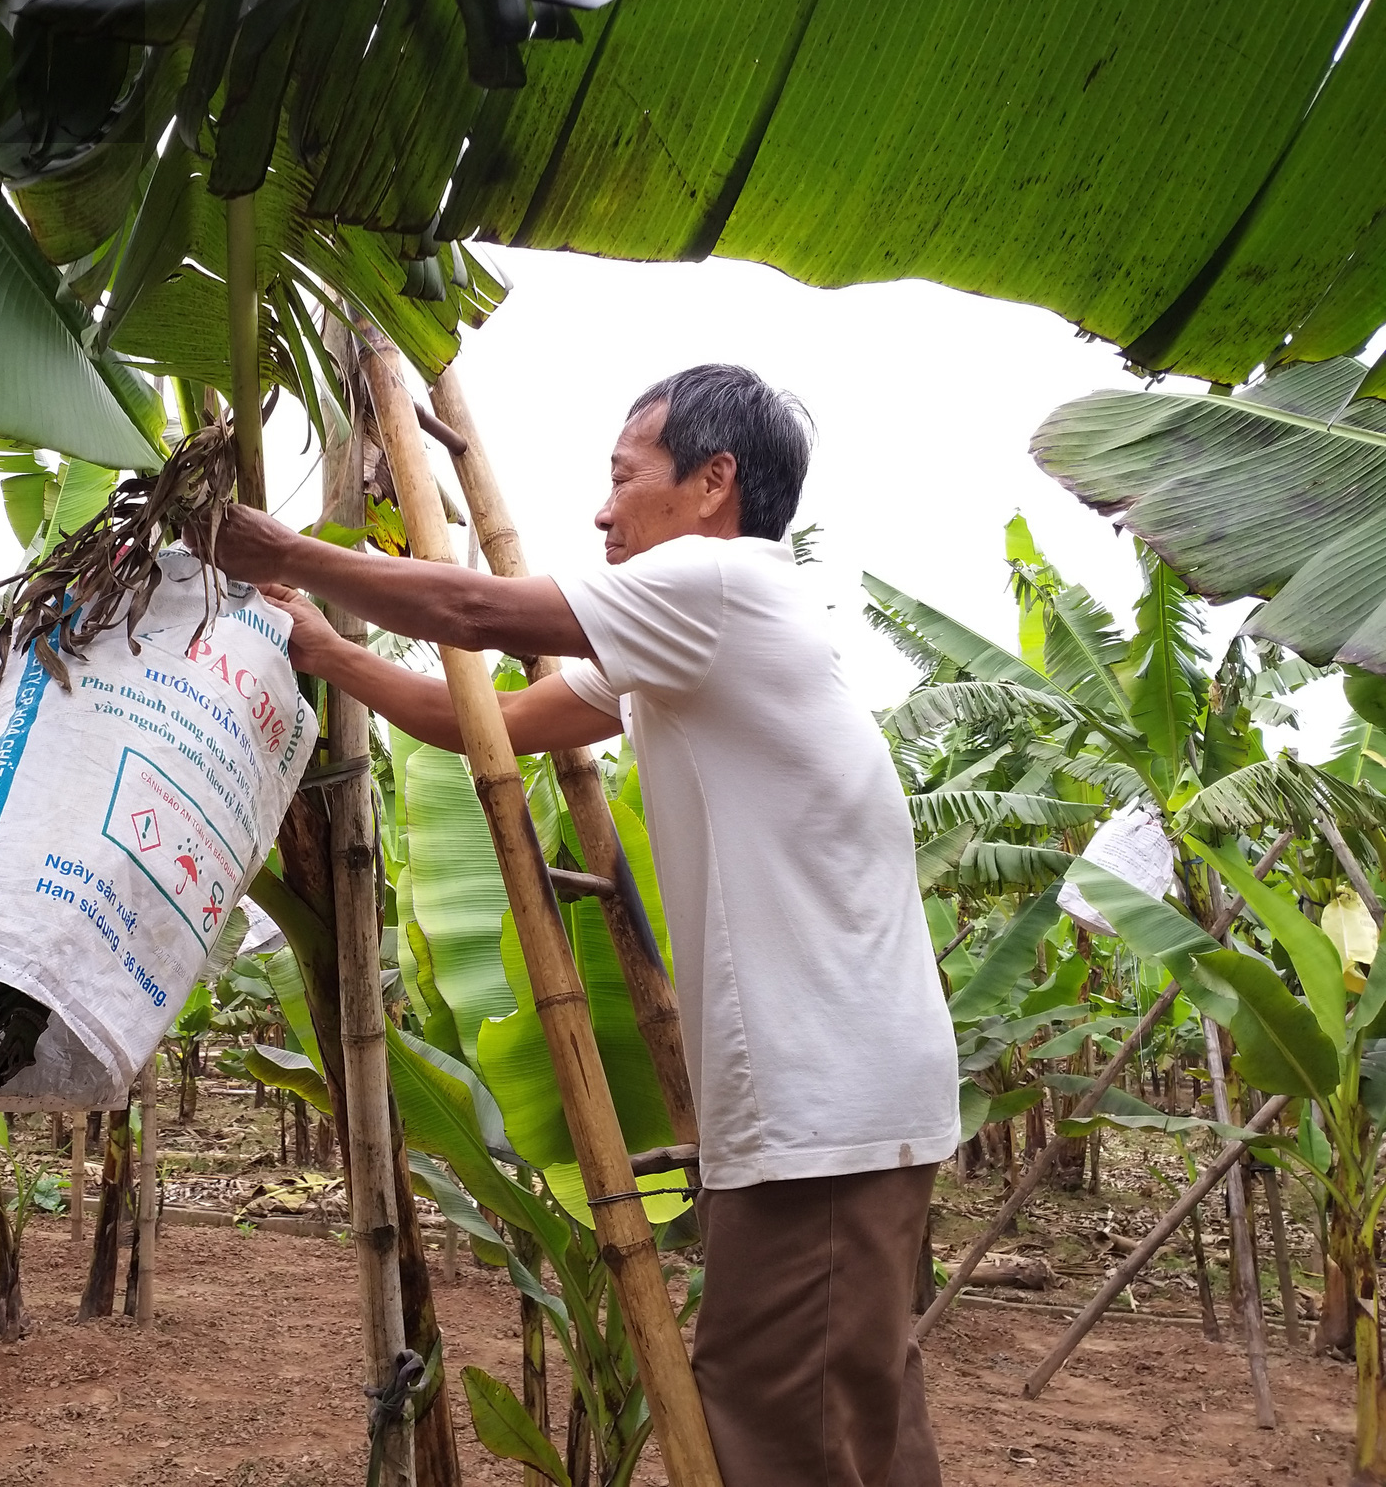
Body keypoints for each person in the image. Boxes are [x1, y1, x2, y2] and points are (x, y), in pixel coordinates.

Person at [211, 362, 958, 1487]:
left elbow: (469, 608)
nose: (602, 510)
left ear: (713, 483)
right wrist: (327, 651)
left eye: (622, 478)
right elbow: (489, 726)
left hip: (822, 1106)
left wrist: (279, 554)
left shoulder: (715, 584)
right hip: (849, 1100)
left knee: (780, 1422)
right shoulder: (697, 635)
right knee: (854, 1414)